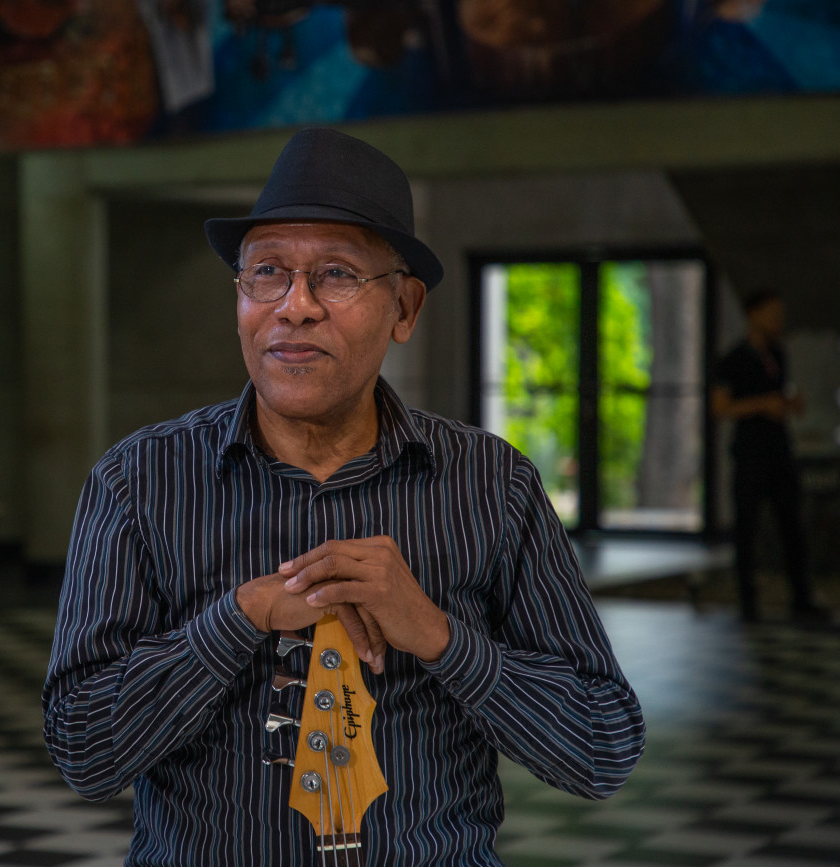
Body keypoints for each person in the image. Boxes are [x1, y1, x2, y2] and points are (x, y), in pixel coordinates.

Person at [42, 127, 645, 865]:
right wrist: (239, 618)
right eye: (266, 271)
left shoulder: (492, 485)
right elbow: (84, 752)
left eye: (335, 274)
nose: (295, 306)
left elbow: (601, 748)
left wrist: (439, 635)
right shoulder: (140, 482)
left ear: (405, 308)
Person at [711, 289, 825, 623]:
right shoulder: (733, 360)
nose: (778, 321)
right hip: (750, 455)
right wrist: (764, 405)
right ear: (753, 314)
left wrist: (788, 405)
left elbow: (780, 396)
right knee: (746, 529)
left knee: (792, 526)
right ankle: (748, 602)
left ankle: (801, 598)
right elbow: (720, 407)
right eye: (772, 314)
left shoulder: (777, 354)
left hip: (779, 452)